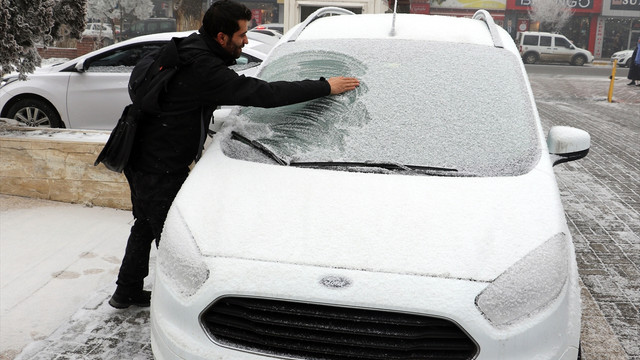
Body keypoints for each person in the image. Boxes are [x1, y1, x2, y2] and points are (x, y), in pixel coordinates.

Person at [108, 0, 360, 309]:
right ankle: (177, 310)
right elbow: (263, 94)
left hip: (142, 153)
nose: (246, 41)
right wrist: (324, 87)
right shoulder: (203, 68)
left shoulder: (187, 47)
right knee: (174, 241)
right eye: (241, 35)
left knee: (145, 223)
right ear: (221, 37)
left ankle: (126, 290)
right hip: (158, 165)